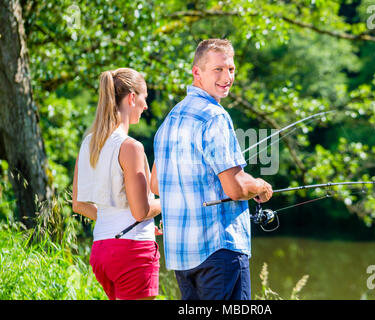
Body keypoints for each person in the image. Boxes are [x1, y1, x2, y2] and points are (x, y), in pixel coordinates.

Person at [151, 39, 273, 300]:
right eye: (218, 69)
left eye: (231, 69)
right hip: (219, 252)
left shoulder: (170, 120)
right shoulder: (215, 116)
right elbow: (237, 188)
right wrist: (260, 186)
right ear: (197, 72)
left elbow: (155, 185)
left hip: (183, 258)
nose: (227, 77)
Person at [72, 68, 162, 300]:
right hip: (133, 252)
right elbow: (140, 211)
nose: (146, 106)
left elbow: (78, 204)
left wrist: (121, 223)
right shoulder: (131, 147)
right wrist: (169, 201)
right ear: (132, 98)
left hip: (102, 251)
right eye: (144, 98)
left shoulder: (89, 144)